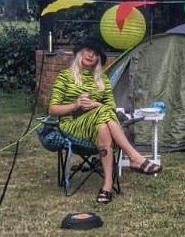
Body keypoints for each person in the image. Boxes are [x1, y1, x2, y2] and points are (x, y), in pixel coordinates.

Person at [48, 39, 161, 204]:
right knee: (104, 113)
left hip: (98, 127)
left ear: (99, 60)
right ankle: (134, 157)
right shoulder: (65, 77)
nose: (91, 55)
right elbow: (52, 109)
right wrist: (75, 105)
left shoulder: (103, 80)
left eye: (95, 54)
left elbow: (111, 108)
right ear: (79, 52)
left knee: (103, 126)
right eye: (88, 50)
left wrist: (96, 104)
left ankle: (107, 186)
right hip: (72, 125)